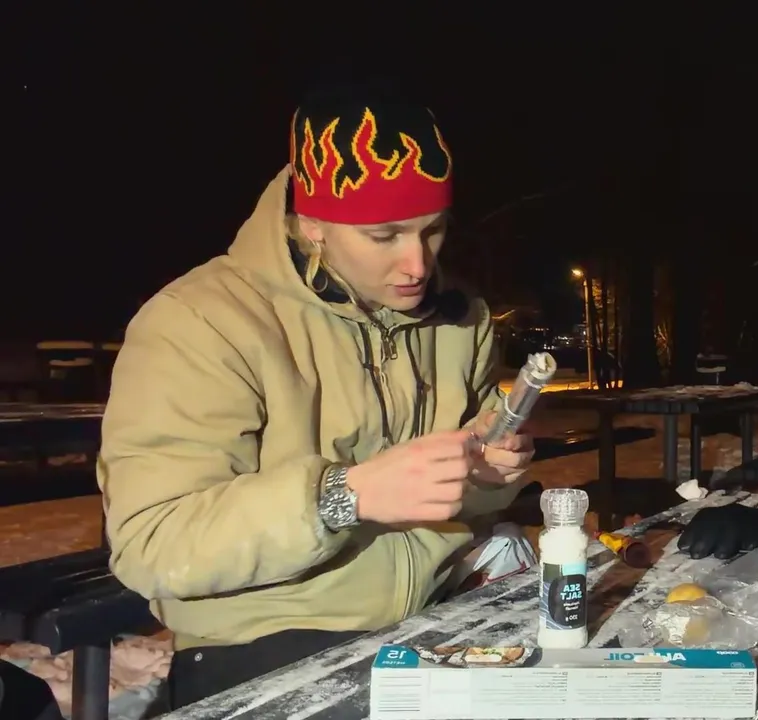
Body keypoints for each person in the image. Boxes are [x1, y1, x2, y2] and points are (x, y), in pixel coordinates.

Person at [97, 79, 533, 711]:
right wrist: (342, 496)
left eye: (433, 230)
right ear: (314, 224)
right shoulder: (201, 321)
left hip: (432, 615)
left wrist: (490, 475)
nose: (418, 264)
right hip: (262, 639)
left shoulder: (459, 317)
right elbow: (152, 544)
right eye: (384, 236)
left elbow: (468, 496)